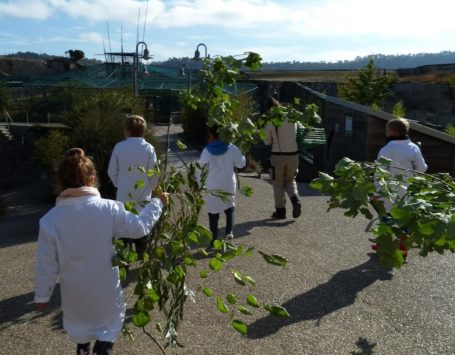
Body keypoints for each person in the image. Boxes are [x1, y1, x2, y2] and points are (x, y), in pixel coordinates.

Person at [34, 148, 168, 355]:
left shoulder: (51, 220)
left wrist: (42, 295)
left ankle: (83, 349)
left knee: (81, 330)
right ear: (92, 179)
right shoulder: (109, 209)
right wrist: (158, 203)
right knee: (107, 328)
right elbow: (139, 227)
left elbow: (46, 262)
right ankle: (102, 349)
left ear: (60, 183)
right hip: (105, 289)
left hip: (74, 293)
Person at [372, 118, 428, 256]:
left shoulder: (386, 149)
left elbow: (380, 174)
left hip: (388, 191)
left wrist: (377, 191)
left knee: (386, 218)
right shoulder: (414, 147)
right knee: (404, 219)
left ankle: (382, 245)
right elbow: (422, 168)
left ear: (392, 132)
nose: (385, 132)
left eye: (386, 130)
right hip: (407, 191)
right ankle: (403, 247)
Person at [108, 115, 158, 258]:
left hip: (124, 193)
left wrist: (119, 183)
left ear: (127, 131)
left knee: (124, 225)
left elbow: (111, 170)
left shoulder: (119, 146)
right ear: (143, 131)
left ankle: (125, 260)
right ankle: (142, 256)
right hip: (143, 193)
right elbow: (153, 172)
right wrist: (153, 186)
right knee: (142, 223)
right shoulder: (149, 148)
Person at [199, 126, 246, 242]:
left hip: (213, 185)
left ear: (211, 134)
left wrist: (200, 185)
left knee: (213, 213)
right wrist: (242, 153)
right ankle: (229, 231)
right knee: (230, 207)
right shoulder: (231, 147)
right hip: (228, 183)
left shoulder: (207, 151)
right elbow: (241, 164)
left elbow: (200, 170)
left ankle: (213, 239)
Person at [264, 97, 302, 219]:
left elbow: (267, 142)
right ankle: (296, 200)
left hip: (278, 156)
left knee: (278, 183)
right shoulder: (292, 116)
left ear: (269, 109)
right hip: (293, 155)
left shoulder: (271, 120)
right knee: (291, 180)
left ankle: (280, 211)